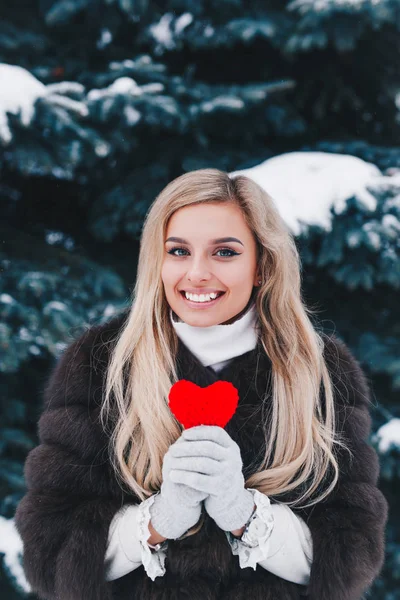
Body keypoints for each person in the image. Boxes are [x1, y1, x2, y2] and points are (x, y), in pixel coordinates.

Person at [15, 169, 388, 600]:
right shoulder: (100, 364)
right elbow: (51, 558)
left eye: (224, 253)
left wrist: (244, 514)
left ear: (262, 265)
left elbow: (351, 556)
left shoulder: (321, 371)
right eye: (178, 251)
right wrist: (160, 520)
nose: (196, 274)